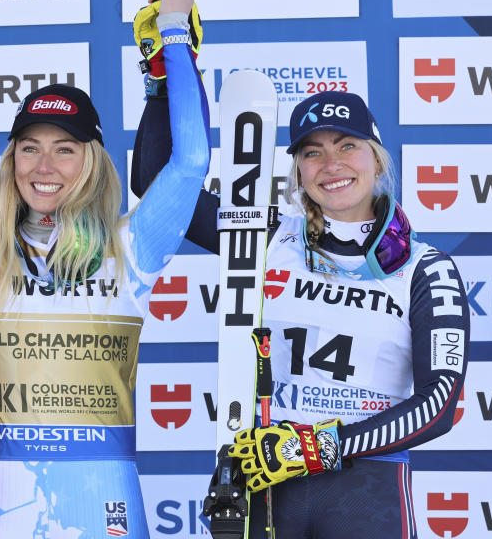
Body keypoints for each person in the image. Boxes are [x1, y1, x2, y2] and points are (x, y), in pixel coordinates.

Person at [131, 88, 470, 538]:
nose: (331, 165)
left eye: (347, 145)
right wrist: (164, 82)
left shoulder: (426, 268)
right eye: (313, 153)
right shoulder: (265, 238)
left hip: (365, 487)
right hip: (263, 479)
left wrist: (315, 447)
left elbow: (439, 404)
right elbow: (159, 186)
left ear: (377, 158)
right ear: (298, 171)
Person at [0, 0, 209, 538]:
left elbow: (191, 159)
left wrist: (174, 36)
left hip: (103, 493)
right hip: (3, 497)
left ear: (93, 161)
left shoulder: (131, 245)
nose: (44, 166)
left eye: (65, 149)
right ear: (11, 161)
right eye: (29, 148)